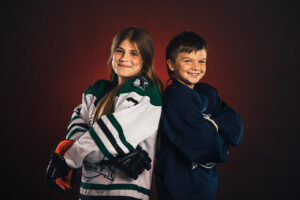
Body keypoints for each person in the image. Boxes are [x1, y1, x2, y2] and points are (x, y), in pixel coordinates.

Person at [46, 27, 163, 200]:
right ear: (112, 54)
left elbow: (111, 136)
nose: (124, 58)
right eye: (119, 51)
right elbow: (79, 121)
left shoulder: (145, 91)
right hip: (88, 192)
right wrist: (80, 147)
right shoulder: (96, 90)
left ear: (145, 59)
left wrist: (68, 159)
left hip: (125, 194)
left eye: (134, 53)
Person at [155, 31, 244, 200]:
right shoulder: (175, 98)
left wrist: (212, 129)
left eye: (201, 61)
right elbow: (203, 143)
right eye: (187, 61)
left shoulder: (207, 92)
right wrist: (223, 143)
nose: (196, 67)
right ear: (171, 65)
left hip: (206, 185)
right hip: (179, 186)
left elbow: (236, 126)